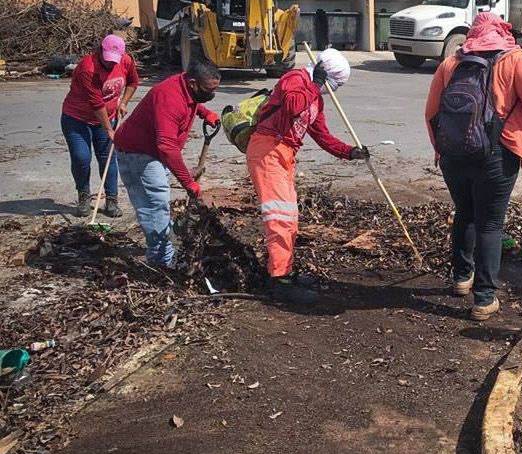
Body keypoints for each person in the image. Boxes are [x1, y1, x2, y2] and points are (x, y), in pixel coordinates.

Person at [424, 12, 522, 321]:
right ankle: (484, 298)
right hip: (497, 152)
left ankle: (460, 279)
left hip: (453, 155)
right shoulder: (515, 58)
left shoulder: (452, 62)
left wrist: (442, 149)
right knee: (490, 224)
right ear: (501, 31)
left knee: (464, 213)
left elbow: (431, 112)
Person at [246, 48, 368, 303]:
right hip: (268, 149)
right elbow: (292, 105)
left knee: (290, 218)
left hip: (285, 155)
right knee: (280, 219)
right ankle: (279, 282)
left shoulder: (316, 98)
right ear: (326, 76)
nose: (332, 91)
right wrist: (315, 84)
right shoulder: (296, 79)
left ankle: (284, 272)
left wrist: (350, 153)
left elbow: (322, 136)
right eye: (334, 85)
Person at [113, 59, 222, 268]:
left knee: (159, 203)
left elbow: (191, 102)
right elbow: (167, 147)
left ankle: (164, 247)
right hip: (138, 154)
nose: (211, 95)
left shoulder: (186, 88)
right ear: (192, 83)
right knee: (154, 205)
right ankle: (160, 262)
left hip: (152, 152)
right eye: (208, 90)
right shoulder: (169, 97)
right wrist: (188, 182)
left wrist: (204, 113)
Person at [60, 34, 139, 217]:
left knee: (108, 158)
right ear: (100, 51)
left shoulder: (125, 61)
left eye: (114, 60)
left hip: (107, 117)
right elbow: (96, 104)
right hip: (76, 119)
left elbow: (133, 82)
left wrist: (124, 102)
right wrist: (110, 130)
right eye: (107, 59)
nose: (111, 64)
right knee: (81, 157)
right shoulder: (88, 68)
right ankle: (84, 195)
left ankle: (111, 200)